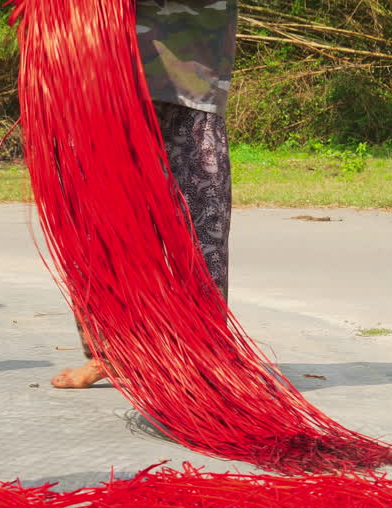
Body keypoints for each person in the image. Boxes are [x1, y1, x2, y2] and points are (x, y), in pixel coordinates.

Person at [50, 0, 239, 389]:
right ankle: (111, 352)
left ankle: (203, 355)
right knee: (99, 227)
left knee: (200, 227)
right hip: (103, 75)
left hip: (190, 72)